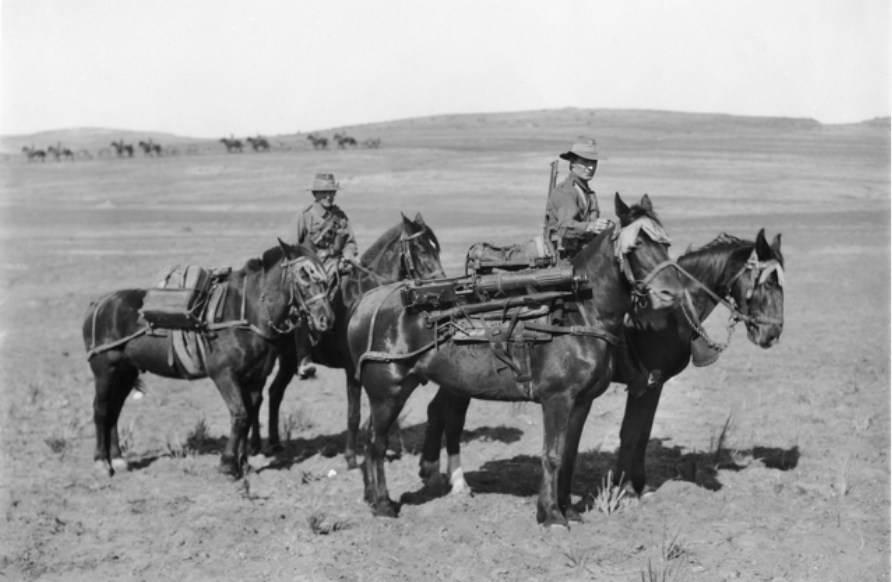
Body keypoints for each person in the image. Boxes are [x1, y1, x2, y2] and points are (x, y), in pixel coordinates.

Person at [294, 172, 359, 378]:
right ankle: (303, 356)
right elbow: (293, 247)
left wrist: (348, 256)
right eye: (324, 192)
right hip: (312, 267)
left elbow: (350, 242)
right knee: (304, 304)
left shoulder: (340, 216)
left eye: (331, 192)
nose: (329, 196)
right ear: (315, 193)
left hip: (337, 264)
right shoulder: (305, 216)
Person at [544, 139, 613, 259]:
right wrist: (590, 227)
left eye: (593, 162)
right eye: (585, 162)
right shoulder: (567, 191)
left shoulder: (588, 193)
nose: (591, 167)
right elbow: (564, 227)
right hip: (566, 258)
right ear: (573, 162)